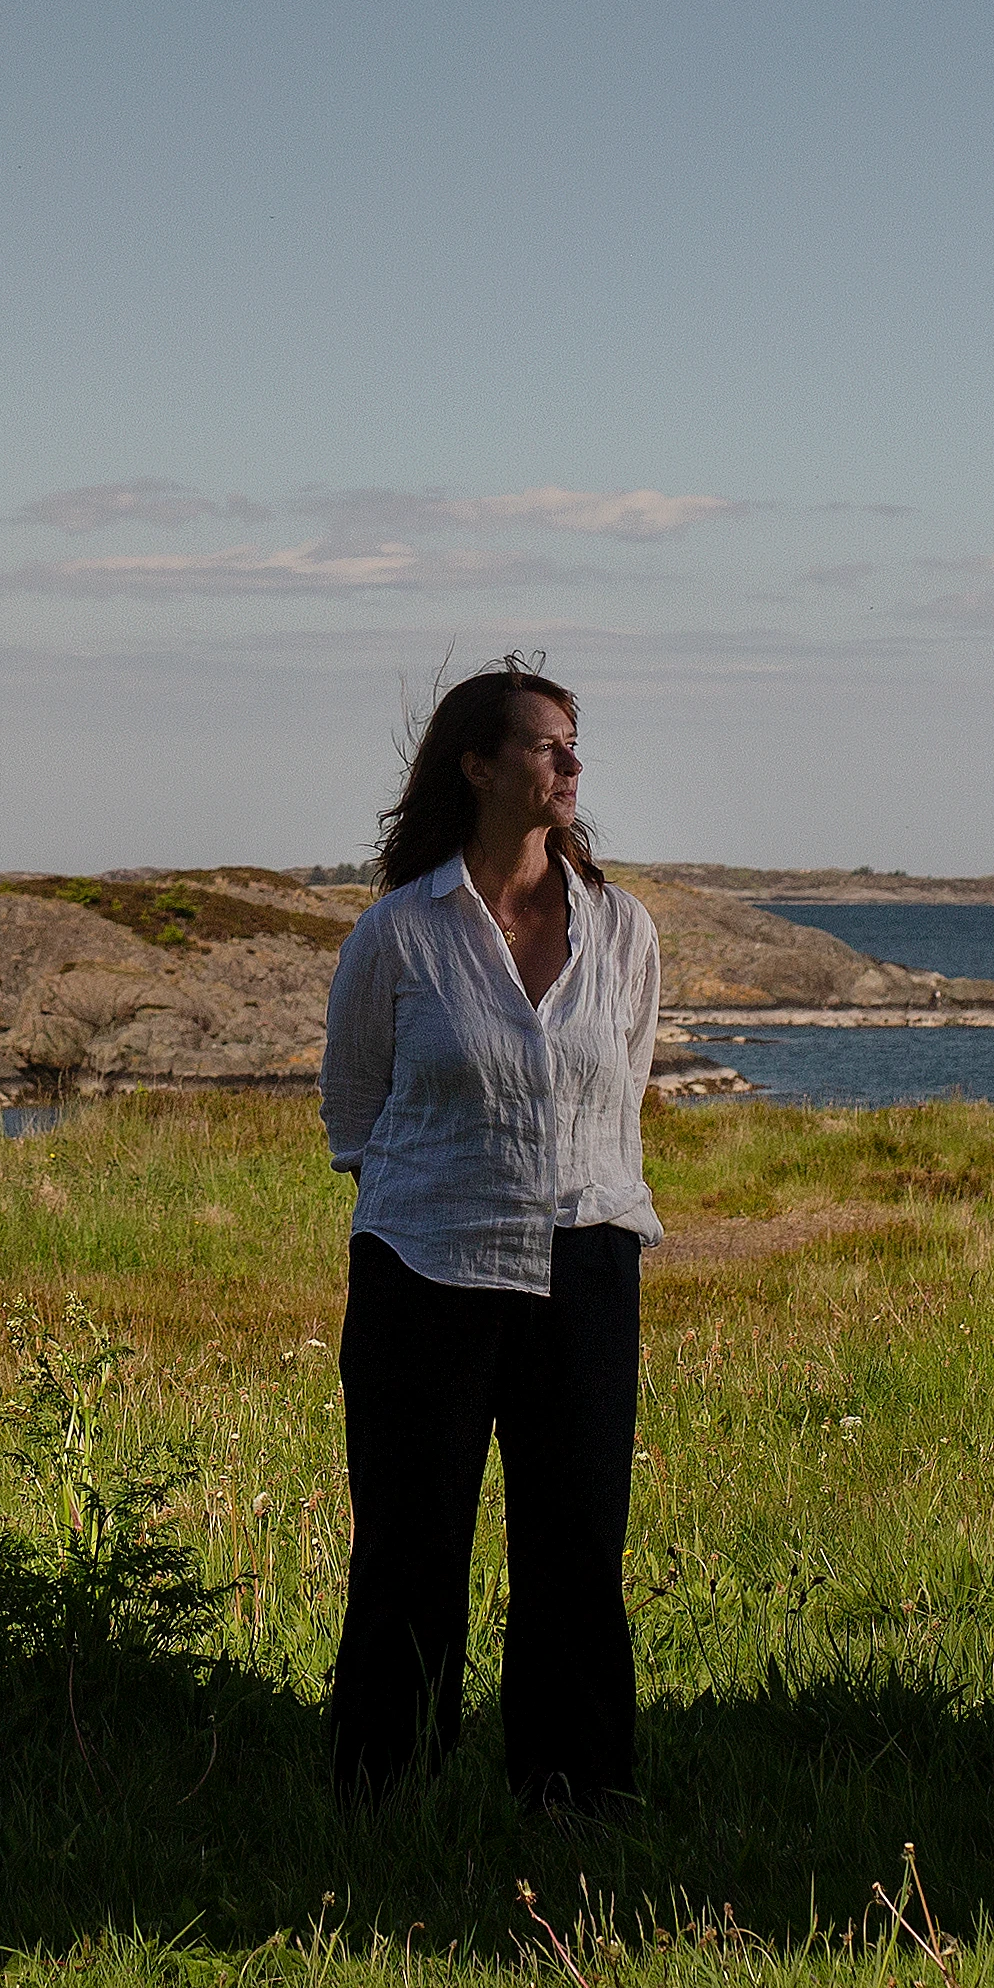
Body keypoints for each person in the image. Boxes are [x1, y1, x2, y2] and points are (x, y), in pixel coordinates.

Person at [317, 661, 662, 1812]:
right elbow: (353, 1111)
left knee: (574, 1545)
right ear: (477, 766)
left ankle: (574, 1792)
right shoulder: (399, 935)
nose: (570, 763)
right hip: (427, 1266)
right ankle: (384, 1788)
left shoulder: (621, 931)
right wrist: (448, 1195)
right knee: (411, 1547)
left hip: (587, 1256)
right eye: (543, 744)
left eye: (574, 743)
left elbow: (624, 1086)